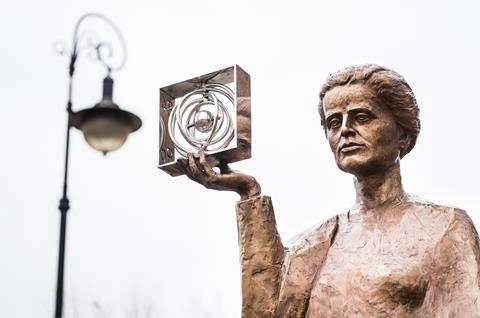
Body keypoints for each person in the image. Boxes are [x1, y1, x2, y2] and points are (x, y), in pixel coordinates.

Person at [178, 64, 480, 317]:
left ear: (402, 132)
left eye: (362, 117)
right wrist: (249, 193)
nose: (345, 130)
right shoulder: (316, 243)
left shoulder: (445, 227)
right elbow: (266, 312)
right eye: (334, 122)